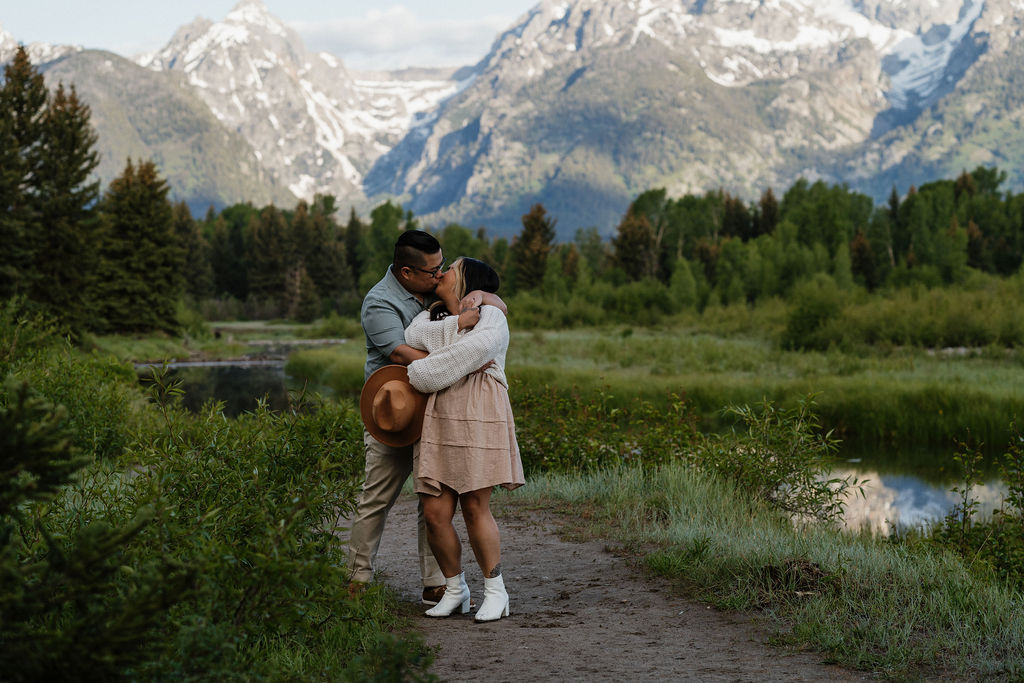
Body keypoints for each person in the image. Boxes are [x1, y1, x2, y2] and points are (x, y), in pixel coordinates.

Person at [349, 231, 504, 604]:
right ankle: (357, 578)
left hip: (439, 411)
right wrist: (462, 360)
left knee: (433, 499)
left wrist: (480, 296)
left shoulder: (438, 291)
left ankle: (437, 583)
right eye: (433, 270)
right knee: (377, 497)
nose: (440, 275)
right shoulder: (379, 302)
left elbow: (497, 304)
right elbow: (403, 355)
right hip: (396, 412)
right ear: (407, 272)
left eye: (442, 266)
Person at [403, 257, 524, 622]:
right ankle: (456, 590)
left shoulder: (493, 316)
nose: (441, 272)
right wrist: (458, 327)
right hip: (438, 416)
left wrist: (422, 368)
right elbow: (413, 336)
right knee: (435, 512)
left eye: (451, 267)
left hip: (479, 412)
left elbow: (471, 351)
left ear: (468, 281)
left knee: (474, 506)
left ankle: (496, 591)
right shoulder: (431, 316)